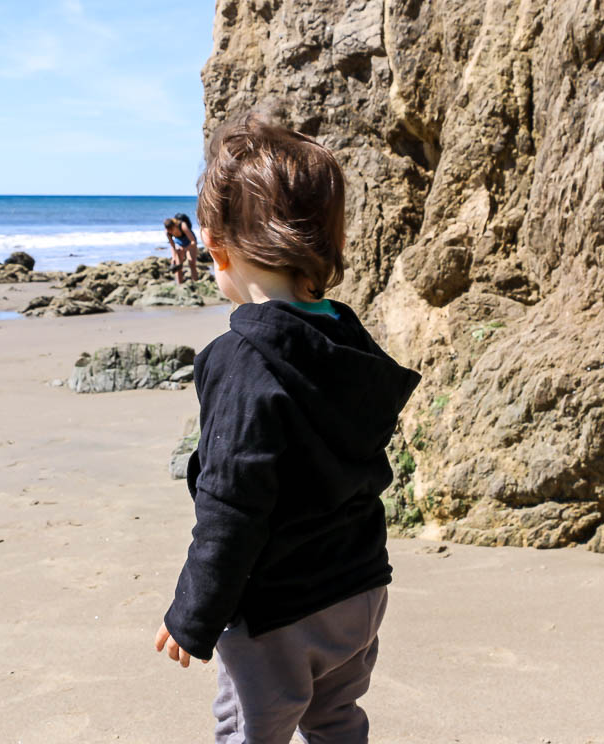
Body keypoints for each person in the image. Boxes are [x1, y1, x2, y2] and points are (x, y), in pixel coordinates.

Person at [153, 112, 421, 744]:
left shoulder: (241, 358)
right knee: (334, 719)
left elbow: (232, 503)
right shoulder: (346, 336)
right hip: (359, 588)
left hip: (278, 608)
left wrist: (195, 610)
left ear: (214, 245)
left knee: (252, 731)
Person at [164, 214, 199, 284]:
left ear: (175, 225)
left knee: (191, 262)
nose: (171, 232)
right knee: (178, 264)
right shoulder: (167, 232)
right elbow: (172, 246)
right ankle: (180, 285)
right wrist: (173, 258)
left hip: (189, 241)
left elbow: (193, 242)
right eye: (169, 231)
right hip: (179, 242)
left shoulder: (183, 226)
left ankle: (196, 283)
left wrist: (185, 249)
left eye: (172, 230)